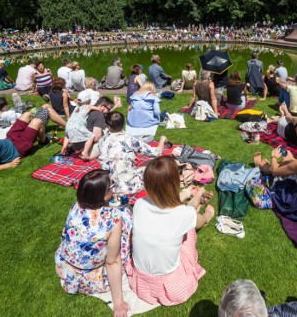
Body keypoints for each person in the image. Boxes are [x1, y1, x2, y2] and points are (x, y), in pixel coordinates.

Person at [127, 156, 214, 306]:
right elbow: (196, 220)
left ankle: (195, 206)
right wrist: (206, 214)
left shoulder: (140, 204)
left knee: (185, 219)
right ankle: (201, 210)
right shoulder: (181, 214)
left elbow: (165, 202)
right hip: (170, 285)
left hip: (140, 281)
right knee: (190, 229)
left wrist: (189, 193)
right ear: (175, 183)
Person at [55, 170, 131, 317]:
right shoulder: (113, 217)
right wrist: (118, 304)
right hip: (92, 280)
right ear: (104, 196)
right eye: (111, 187)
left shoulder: (75, 207)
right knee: (127, 219)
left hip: (66, 270)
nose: (113, 188)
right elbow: (112, 262)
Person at [98, 112, 167, 195]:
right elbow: (156, 152)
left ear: (108, 126)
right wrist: (162, 140)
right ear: (123, 124)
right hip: (129, 185)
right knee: (154, 160)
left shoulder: (103, 141)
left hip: (109, 186)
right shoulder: (129, 139)